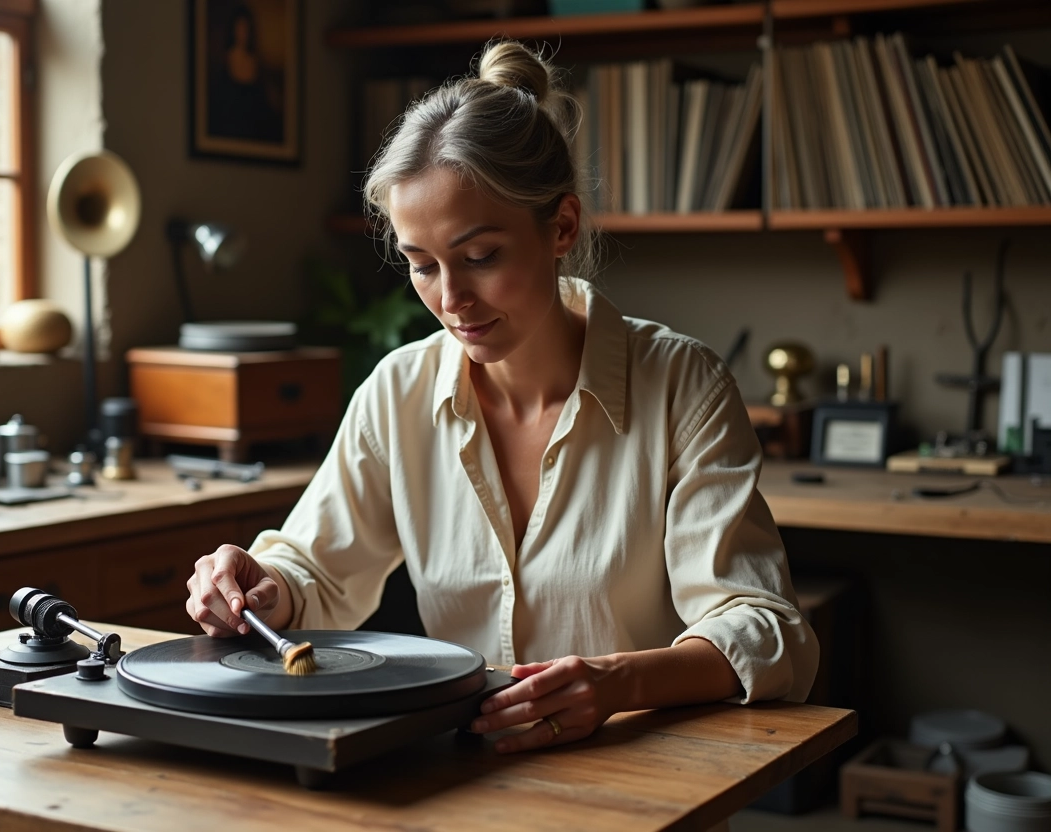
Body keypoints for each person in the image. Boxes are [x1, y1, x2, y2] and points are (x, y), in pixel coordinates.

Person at [187, 40, 818, 754]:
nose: (451, 300)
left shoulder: (682, 385)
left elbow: (767, 630)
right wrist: (260, 584)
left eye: (480, 257)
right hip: (467, 785)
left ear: (562, 228)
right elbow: (317, 572)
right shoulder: (398, 392)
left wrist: (616, 684)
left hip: (646, 787)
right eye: (422, 265)